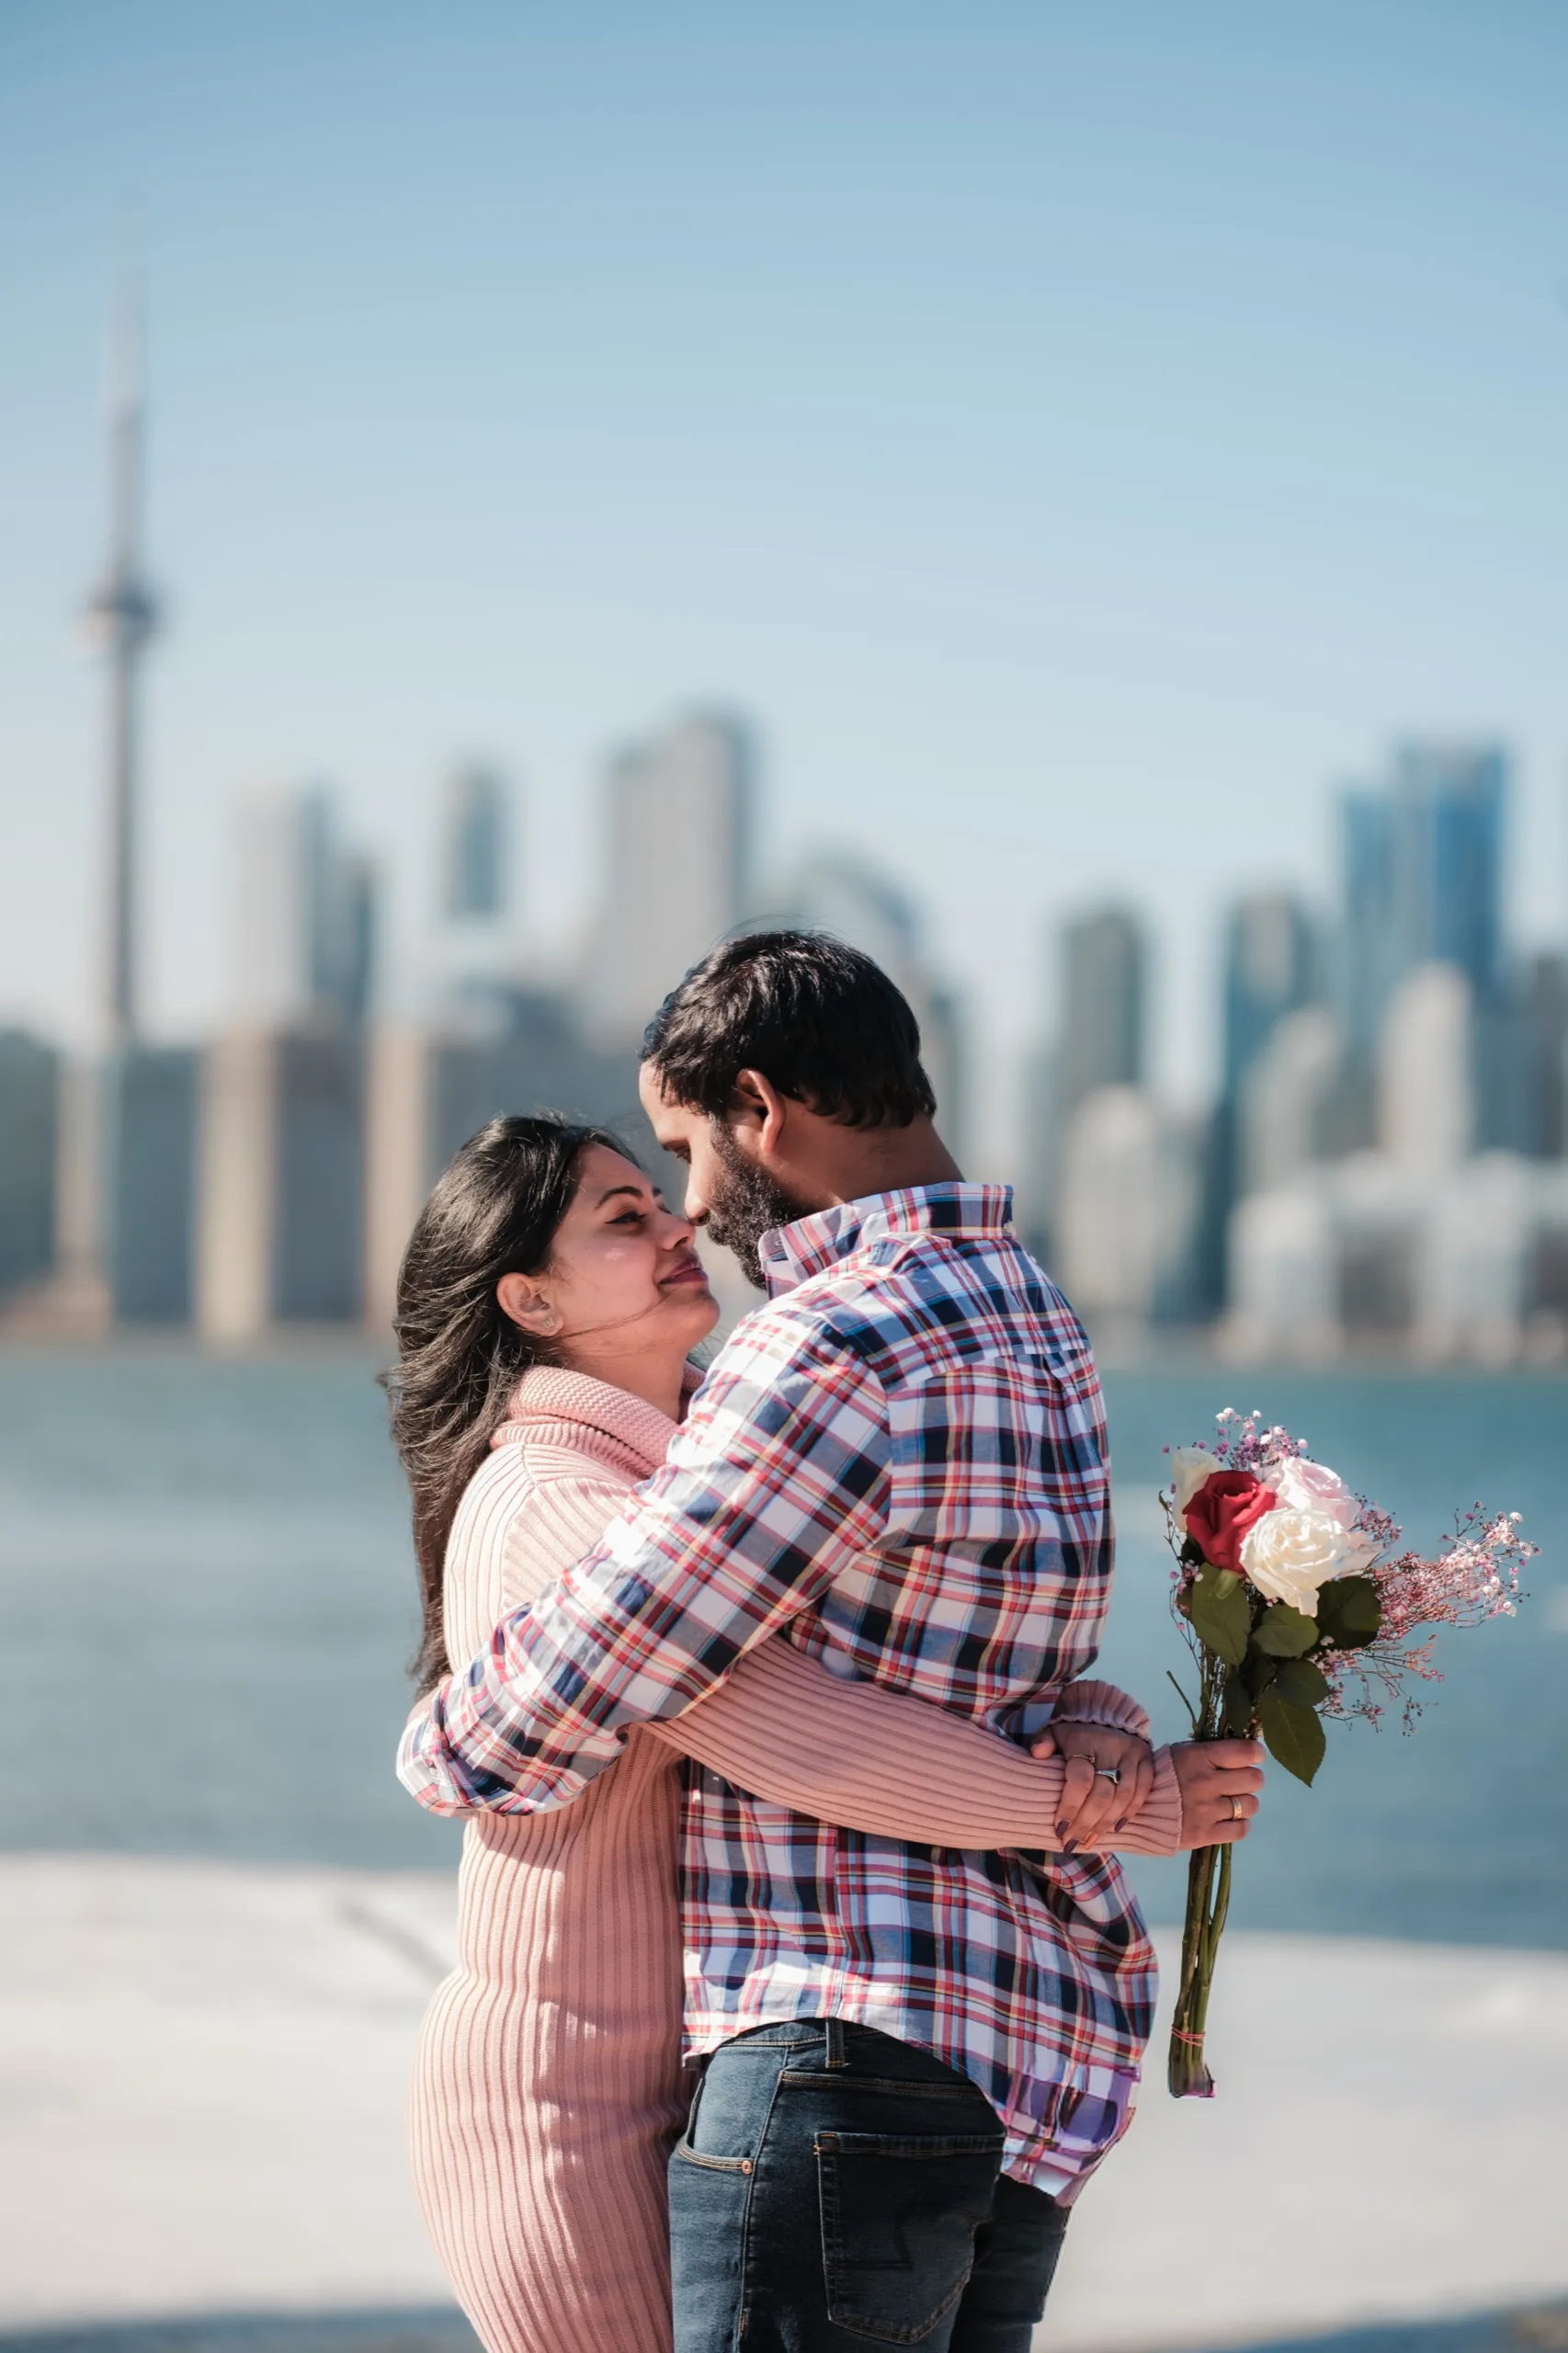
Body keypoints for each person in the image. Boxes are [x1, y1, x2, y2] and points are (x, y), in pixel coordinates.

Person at [400, 937, 1265, 2353]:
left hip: (843, 2028)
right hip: (1023, 2054)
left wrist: (450, 1740)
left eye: (682, 1150)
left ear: (760, 1108)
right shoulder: (1036, 1315)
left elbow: (665, 1656)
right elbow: (1003, 1660)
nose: (689, 1205)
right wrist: (1108, 1756)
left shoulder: (829, 1339)